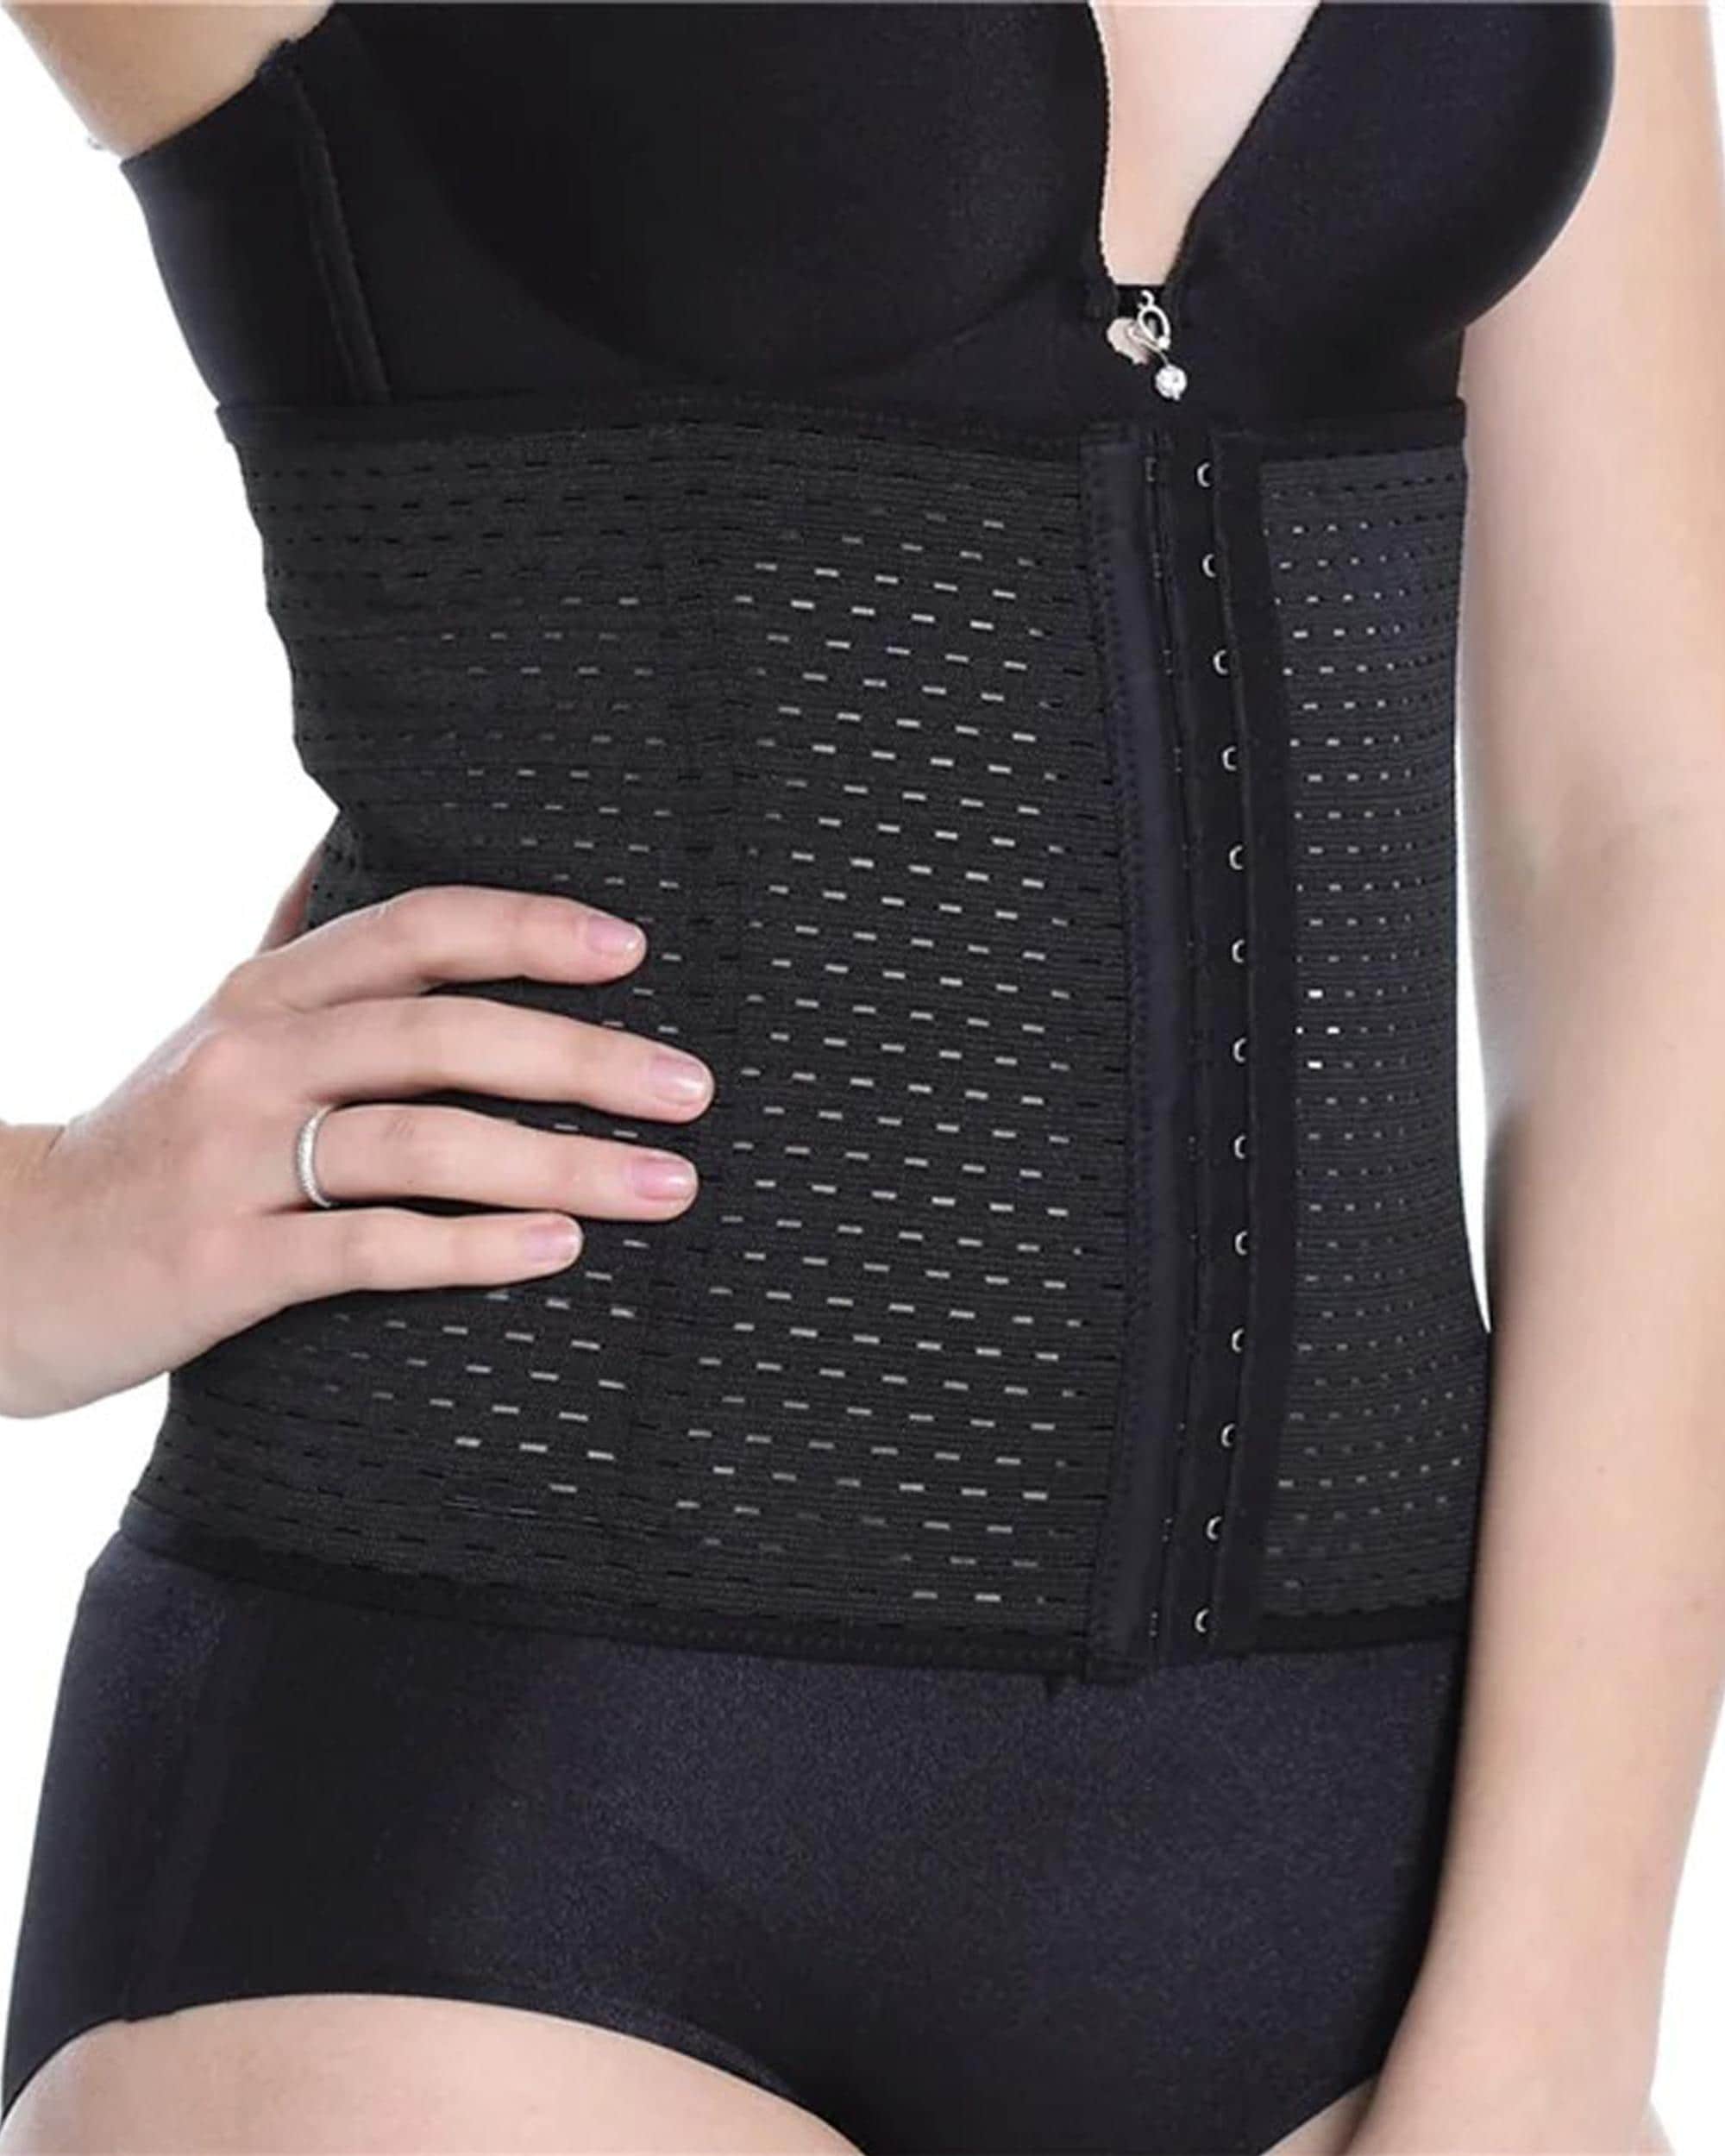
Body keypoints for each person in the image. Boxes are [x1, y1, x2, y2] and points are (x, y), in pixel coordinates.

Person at [0, 3, 1717, 2150]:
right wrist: (38, 1239)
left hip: (1366, 1841)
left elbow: (1652, 836)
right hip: (500, 1797)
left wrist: (1557, 2015)